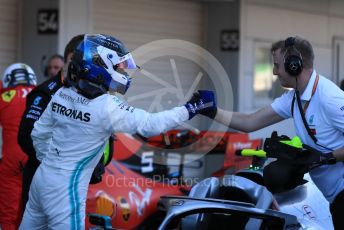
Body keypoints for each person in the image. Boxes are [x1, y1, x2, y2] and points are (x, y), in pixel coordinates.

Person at [19, 34, 216, 229]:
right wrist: (191, 108)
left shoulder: (61, 93)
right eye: (117, 66)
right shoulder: (106, 106)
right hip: (65, 188)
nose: (122, 71)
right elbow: (150, 125)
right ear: (98, 66)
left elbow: (38, 134)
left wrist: (52, 163)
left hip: (42, 177)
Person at [212, 36, 344, 229]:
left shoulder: (330, 98)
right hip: (337, 198)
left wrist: (327, 157)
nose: (274, 72)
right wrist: (212, 111)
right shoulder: (293, 98)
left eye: (277, 65)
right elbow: (250, 122)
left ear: (294, 65)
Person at [18, 34, 85, 213]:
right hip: (41, 181)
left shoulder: (89, 94)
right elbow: (25, 137)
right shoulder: (43, 93)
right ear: (70, 58)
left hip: (73, 185)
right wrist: (56, 166)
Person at [0, 63, 37, 230]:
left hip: (11, 158)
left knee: (9, 212)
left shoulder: (4, 97)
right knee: (36, 209)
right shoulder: (41, 94)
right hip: (37, 156)